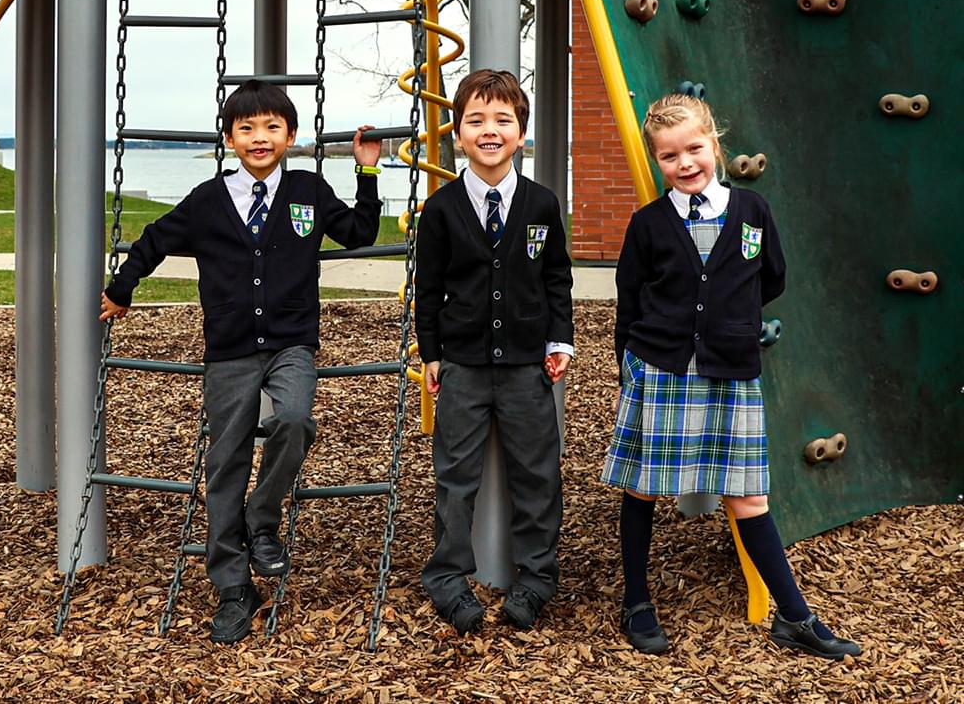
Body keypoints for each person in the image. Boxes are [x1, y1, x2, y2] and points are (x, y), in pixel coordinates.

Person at [99, 79, 381, 644]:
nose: (260, 137)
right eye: (247, 128)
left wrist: (367, 172)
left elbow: (359, 232)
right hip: (229, 349)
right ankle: (233, 586)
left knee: (295, 419)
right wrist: (122, 288)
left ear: (291, 136)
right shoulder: (208, 199)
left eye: (273, 127)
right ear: (230, 138)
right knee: (224, 461)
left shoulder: (307, 190)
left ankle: (263, 517)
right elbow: (154, 238)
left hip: (292, 342)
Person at [603, 93, 861, 660]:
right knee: (643, 486)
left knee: (748, 496)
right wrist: (630, 363)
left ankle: (794, 616)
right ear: (657, 162)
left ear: (714, 145)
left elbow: (770, 279)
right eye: (669, 156)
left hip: (730, 368)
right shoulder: (648, 224)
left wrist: (729, 321)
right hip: (663, 369)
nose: (685, 162)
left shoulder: (752, 211)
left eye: (694, 148)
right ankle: (637, 601)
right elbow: (629, 298)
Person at [415, 69, 574, 635]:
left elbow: (557, 277)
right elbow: (428, 289)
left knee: (538, 473)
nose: (489, 130)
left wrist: (560, 341)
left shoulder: (541, 203)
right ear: (457, 134)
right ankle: (448, 577)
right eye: (476, 121)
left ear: (521, 132)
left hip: (528, 364)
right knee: (454, 476)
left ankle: (536, 579)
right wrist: (431, 352)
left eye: (502, 120)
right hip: (461, 365)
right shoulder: (440, 210)